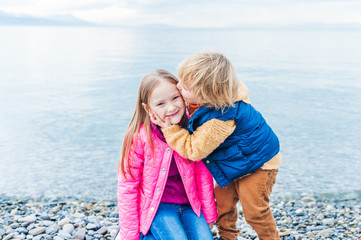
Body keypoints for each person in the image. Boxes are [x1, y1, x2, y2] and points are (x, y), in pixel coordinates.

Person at [151, 52, 282, 240]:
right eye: (180, 80)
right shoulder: (203, 100)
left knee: (254, 211)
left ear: (206, 94)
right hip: (234, 161)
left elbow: (193, 150)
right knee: (223, 204)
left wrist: (169, 129)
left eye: (185, 86)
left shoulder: (222, 118)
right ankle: (228, 237)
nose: (178, 87)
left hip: (259, 164)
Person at [116, 69, 217, 240]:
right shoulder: (140, 137)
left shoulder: (192, 128)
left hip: (190, 205)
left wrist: (209, 214)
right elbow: (128, 186)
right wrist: (129, 234)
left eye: (175, 98)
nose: (171, 107)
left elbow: (203, 174)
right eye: (160, 104)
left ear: (183, 95)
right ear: (147, 108)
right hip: (158, 208)